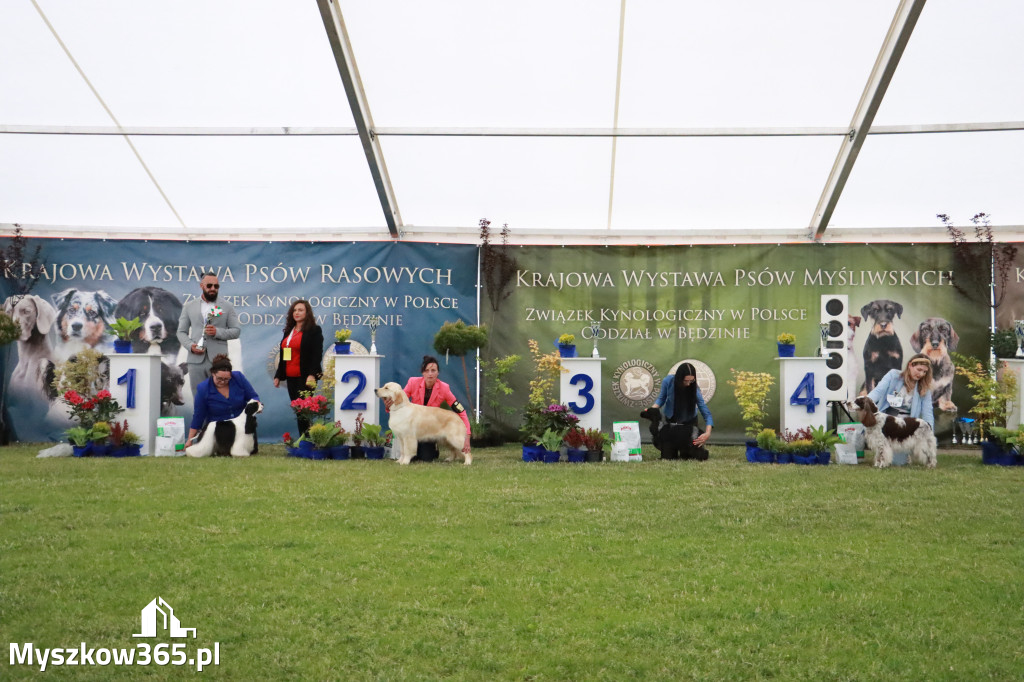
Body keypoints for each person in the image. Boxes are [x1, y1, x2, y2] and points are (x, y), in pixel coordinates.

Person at [384, 355, 471, 462]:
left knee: (427, 458)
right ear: (423, 373)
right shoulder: (413, 382)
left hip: (430, 427)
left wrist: (467, 435)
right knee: (414, 458)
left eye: (433, 370)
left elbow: (461, 411)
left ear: (438, 373)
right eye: (427, 370)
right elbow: (400, 402)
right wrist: (388, 406)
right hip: (414, 427)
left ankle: (462, 456)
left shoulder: (444, 388)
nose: (430, 374)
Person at [177, 272, 241, 396]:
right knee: (199, 397)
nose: (213, 289)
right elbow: (181, 332)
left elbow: (236, 331)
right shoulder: (189, 306)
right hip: (195, 361)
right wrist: (191, 346)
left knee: (219, 398)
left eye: (216, 286)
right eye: (209, 285)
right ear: (202, 286)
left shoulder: (227, 306)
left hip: (219, 361)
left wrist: (218, 332)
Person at [273, 299, 324, 436]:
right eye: (295, 310)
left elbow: (316, 354)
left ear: (307, 313)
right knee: (298, 409)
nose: (297, 312)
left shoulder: (314, 330)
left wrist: (312, 374)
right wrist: (278, 375)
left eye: (300, 310)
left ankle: (307, 440)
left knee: (304, 410)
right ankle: (304, 439)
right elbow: (285, 355)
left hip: (306, 377)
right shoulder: (289, 331)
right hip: (291, 377)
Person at [186, 354, 260, 447]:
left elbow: (253, 397)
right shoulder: (203, 388)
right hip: (219, 431)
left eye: (227, 379)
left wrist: (257, 405)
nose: (222, 381)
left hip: (242, 429)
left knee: (249, 451)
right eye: (219, 378)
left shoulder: (239, 378)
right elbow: (198, 416)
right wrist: (189, 440)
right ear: (213, 373)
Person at [651, 361, 714, 457]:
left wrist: (708, 432)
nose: (689, 384)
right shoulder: (668, 381)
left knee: (687, 456)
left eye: (691, 381)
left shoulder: (695, 391)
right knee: (669, 455)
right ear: (679, 378)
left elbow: (706, 413)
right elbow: (661, 399)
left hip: (688, 425)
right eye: (686, 381)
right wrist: (652, 410)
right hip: (671, 423)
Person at [867, 352, 935, 429]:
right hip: (886, 421)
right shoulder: (893, 375)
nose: (921, 374)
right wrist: (863, 403)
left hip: (907, 426)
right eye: (919, 369)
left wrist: (930, 435)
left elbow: (928, 413)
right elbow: (878, 392)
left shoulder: (924, 388)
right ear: (910, 365)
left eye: (925, 371)